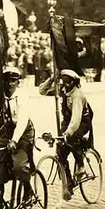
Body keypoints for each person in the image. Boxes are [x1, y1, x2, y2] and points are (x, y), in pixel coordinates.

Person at [38, 69, 95, 201]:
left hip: (82, 121)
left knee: (72, 139)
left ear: (74, 82)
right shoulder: (62, 90)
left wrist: (68, 133)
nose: (65, 84)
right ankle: (68, 183)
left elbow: (76, 118)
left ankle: (81, 166)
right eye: (63, 81)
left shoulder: (78, 95)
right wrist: (52, 78)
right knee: (61, 151)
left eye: (68, 82)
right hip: (67, 121)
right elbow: (42, 91)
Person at [0, 66, 37, 209]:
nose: (9, 84)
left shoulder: (22, 97)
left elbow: (22, 121)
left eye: (13, 81)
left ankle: (28, 189)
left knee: (19, 166)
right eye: (6, 81)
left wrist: (15, 140)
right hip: (6, 133)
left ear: (18, 82)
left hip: (23, 133)